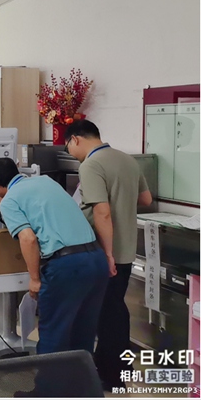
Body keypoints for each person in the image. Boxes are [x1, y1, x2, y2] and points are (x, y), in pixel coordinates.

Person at [0, 157, 109, 356]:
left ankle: (48, 378)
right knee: (83, 333)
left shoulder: (9, 201)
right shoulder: (46, 181)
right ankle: (82, 376)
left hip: (67, 266)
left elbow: (28, 239)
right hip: (96, 259)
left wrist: (34, 279)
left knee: (54, 335)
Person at [64, 120, 152, 390]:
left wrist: (108, 254)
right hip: (127, 249)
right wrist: (121, 199)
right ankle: (118, 368)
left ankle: (113, 377)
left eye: (68, 147)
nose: (71, 153)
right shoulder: (127, 159)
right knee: (114, 309)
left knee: (107, 314)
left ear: (76, 139)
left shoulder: (91, 164)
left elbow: (101, 212)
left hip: (105, 251)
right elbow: (146, 199)